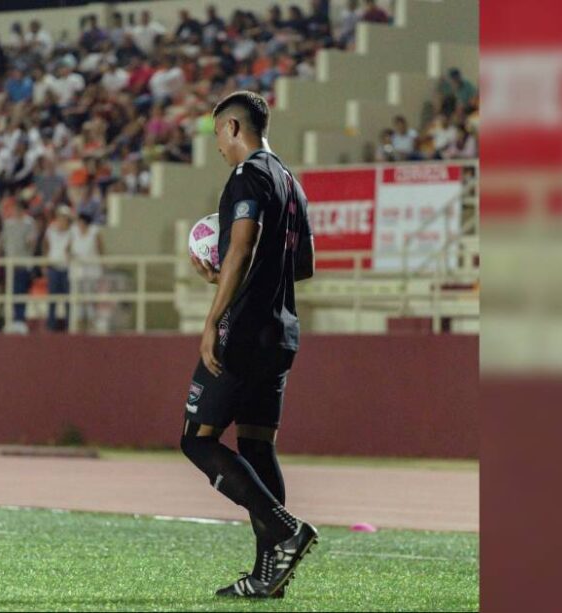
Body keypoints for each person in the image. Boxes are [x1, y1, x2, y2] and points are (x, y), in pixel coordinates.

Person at [183, 91, 317, 599]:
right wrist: (232, 276)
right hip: (281, 332)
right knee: (256, 444)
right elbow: (302, 266)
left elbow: (241, 247)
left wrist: (212, 316)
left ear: (234, 128)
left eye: (218, 133)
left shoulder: (247, 175)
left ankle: (284, 529)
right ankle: (269, 576)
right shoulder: (290, 182)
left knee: (197, 438)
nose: (217, 145)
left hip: (242, 331)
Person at [2, 199, 37, 333]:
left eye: (17, 208)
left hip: (24, 263)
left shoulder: (29, 223)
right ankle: (11, 320)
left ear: (23, 209)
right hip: (10, 264)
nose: (14, 211)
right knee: (11, 292)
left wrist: (30, 242)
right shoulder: (8, 224)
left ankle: (20, 321)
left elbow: (32, 241)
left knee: (21, 291)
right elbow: (4, 241)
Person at [69, 212, 104, 332]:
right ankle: (78, 325)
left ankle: (91, 323)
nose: (79, 224)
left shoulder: (94, 232)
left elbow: (101, 250)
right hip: (78, 271)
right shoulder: (74, 232)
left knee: (90, 299)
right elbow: (67, 249)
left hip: (92, 270)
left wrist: (102, 264)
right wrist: (70, 256)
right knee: (77, 299)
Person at [43, 205, 73, 331]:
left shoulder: (72, 232)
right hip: (54, 267)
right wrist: (45, 263)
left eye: (64, 217)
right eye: (60, 216)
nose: (62, 219)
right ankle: (51, 325)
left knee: (68, 298)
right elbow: (45, 246)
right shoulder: (51, 230)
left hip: (67, 268)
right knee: (52, 298)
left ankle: (69, 324)